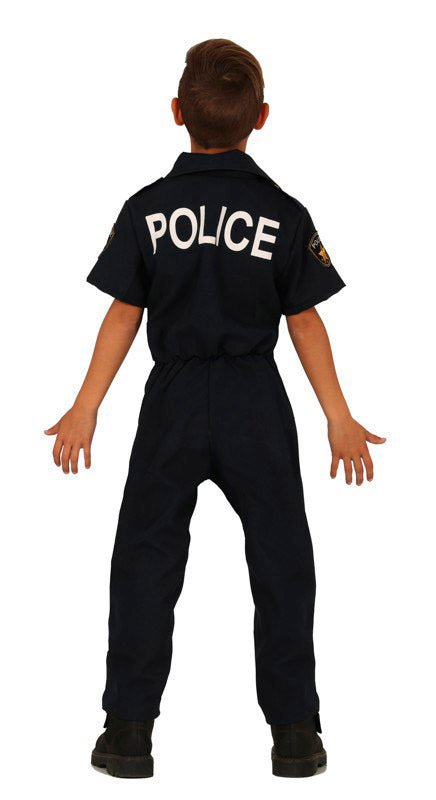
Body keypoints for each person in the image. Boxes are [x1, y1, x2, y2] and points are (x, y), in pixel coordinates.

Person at [45, 38, 386, 779]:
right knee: (282, 557)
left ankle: (126, 733)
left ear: (177, 112)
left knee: (145, 555)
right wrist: (337, 414)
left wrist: (85, 405)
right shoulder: (282, 213)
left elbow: (124, 311)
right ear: (261, 117)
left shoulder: (148, 208)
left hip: (171, 398)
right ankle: (295, 733)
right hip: (253, 400)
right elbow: (304, 321)